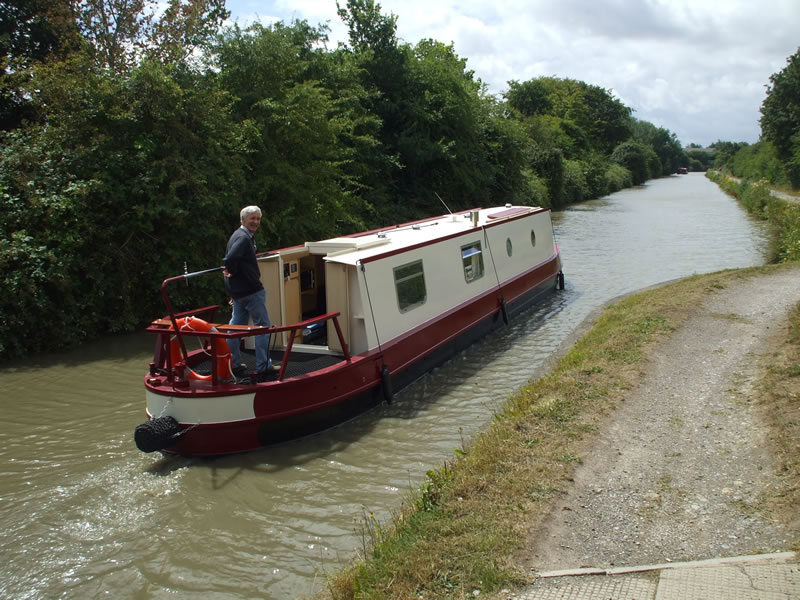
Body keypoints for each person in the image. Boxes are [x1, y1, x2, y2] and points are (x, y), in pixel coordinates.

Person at [223, 205, 277, 380]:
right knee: (262, 326)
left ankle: (233, 363)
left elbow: (233, 259)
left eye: (258, 219)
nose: (255, 222)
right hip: (251, 291)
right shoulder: (244, 238)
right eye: (252, 218)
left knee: (235, 327)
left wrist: (232, 276)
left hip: (238, 292)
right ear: (243, 220)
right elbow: (230, 259)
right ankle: (264, 366)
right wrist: (231, 270)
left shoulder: (237, 235)